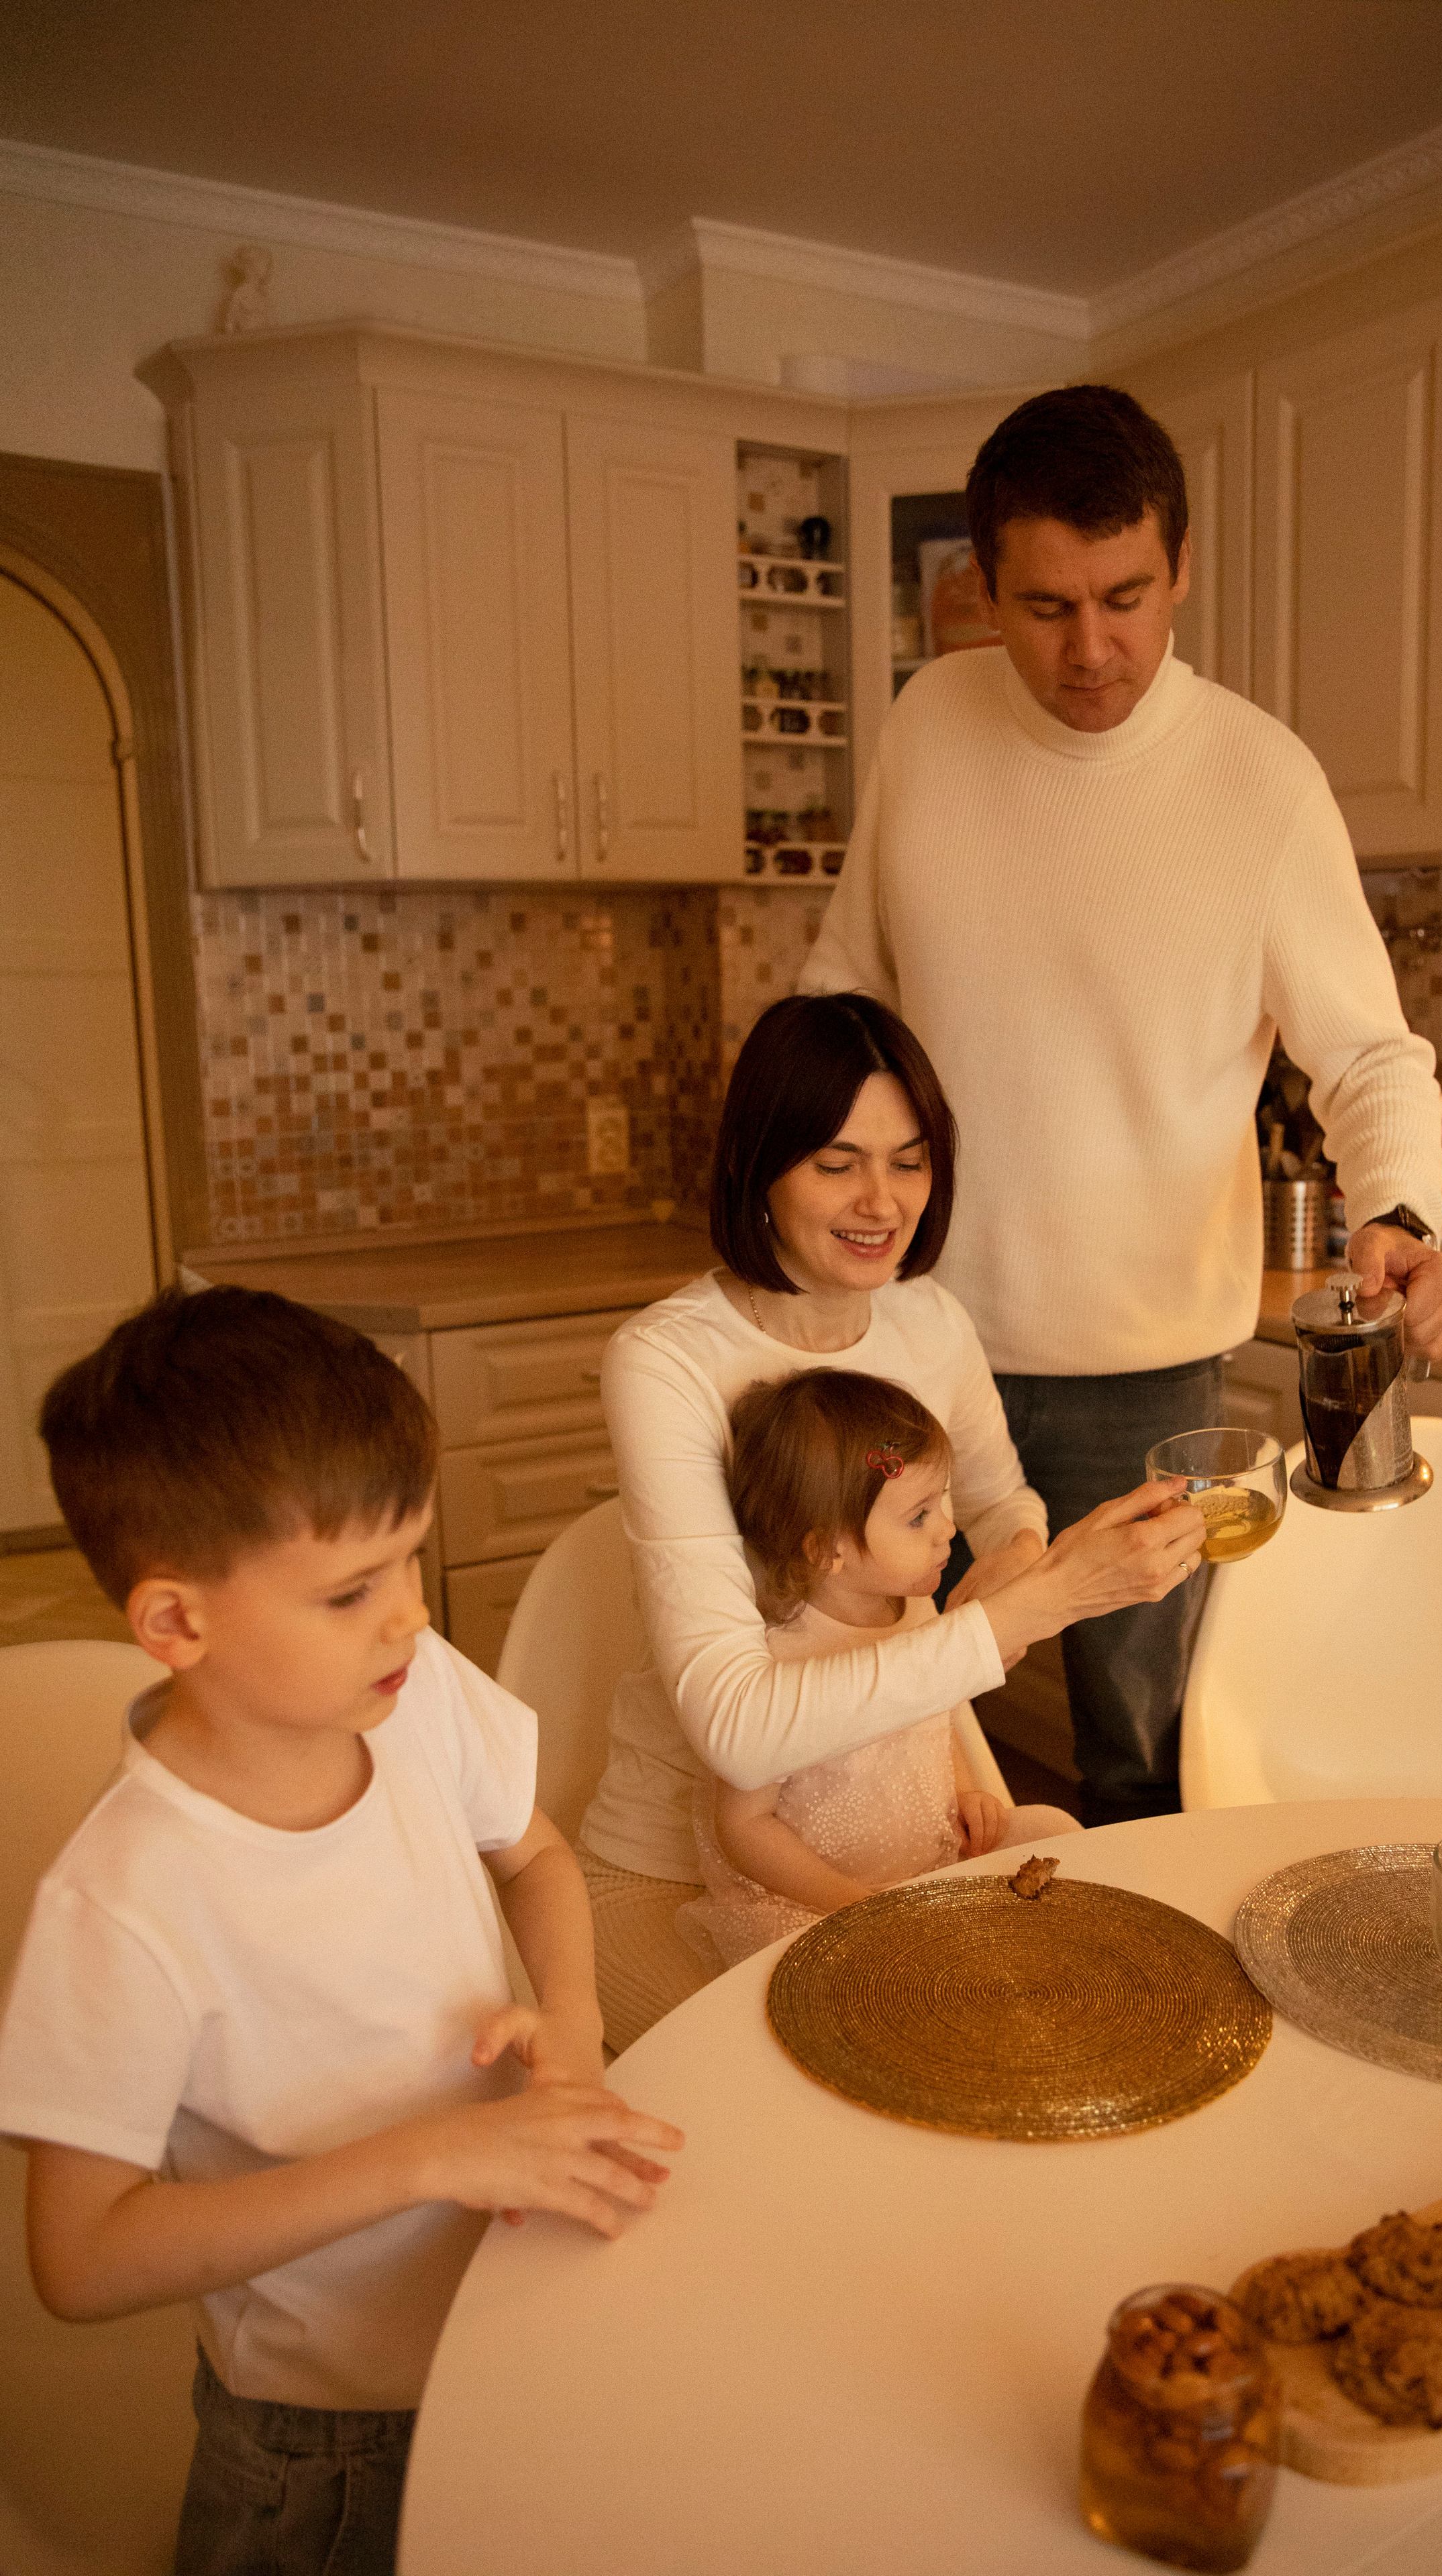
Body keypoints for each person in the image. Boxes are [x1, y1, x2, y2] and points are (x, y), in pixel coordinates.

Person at [801, 382, 1442, 1825]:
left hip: (1142, 1370)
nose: (1090, 650)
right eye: (1043, 608)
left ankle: (1131, 2031)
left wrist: (1400, 1215)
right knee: (883, 1733)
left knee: (1144, 1752)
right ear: (982, 584)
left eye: (1126, 597)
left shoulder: (1258, 783)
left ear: (1180, 569)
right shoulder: (927, 722)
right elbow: (839, 994)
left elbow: (1368, 1056)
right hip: (914, 1335)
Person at [0, 1286, 682, 2576]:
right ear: (176, 1624)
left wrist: (574, 2029)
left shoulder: (408, 1696)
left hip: (500, 2312)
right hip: (323, 2447)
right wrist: (430, 2160)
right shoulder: (128, 1904)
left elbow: (534, 1853)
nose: (412, 1617)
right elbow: (80, 2260)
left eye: (412, 1561)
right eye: (351, 1589)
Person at [574, 989, 1204, 2048]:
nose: (882, 1201)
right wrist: (1022, 1615)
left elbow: (1006, 1500)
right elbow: (735, 1727)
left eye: (909, 1160)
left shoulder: (927, 1321)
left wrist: (1007, 1562)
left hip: (898, 1835)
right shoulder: (669, 1362)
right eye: (836, 1162)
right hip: (683, 1872)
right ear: (758, 1166)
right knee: (833, 2077)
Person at [680, 1368, 1080, 1968]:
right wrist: (855, 1907)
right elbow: (744, 1828)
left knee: (1057, 1831)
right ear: (825, 1550)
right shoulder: (778, 1659)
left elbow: (936, 1720)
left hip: (929, 1860)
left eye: (940, 1501)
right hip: (816, 1900)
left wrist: (970, 1792)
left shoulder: (915, 1604)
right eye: (918, 1516)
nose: (948, 1528)